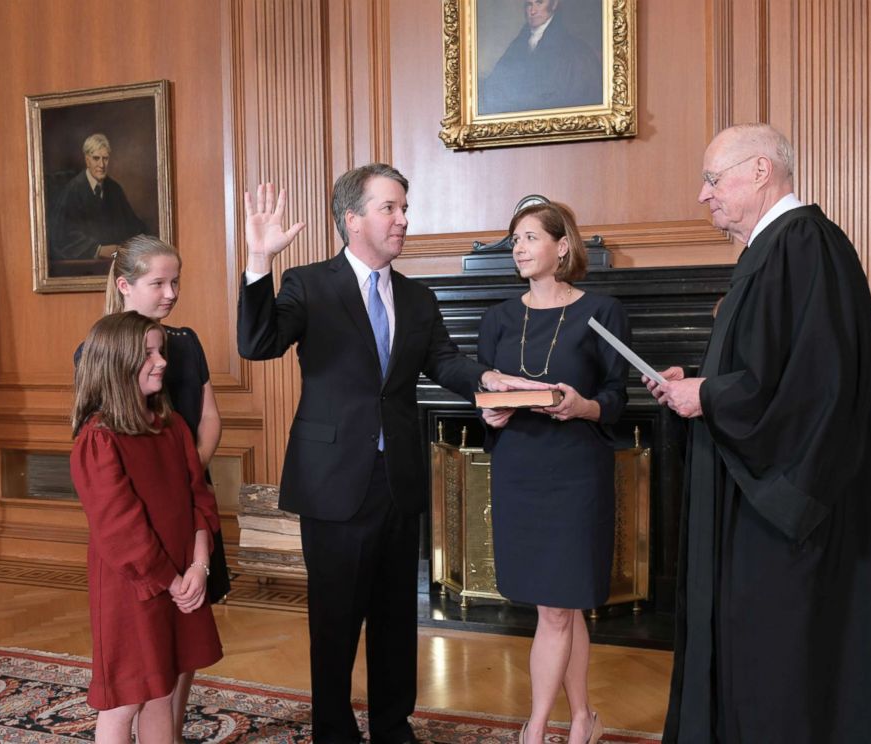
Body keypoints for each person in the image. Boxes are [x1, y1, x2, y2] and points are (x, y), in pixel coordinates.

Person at [236, 165, 544, 744]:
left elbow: (444, 361)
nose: (404, 219)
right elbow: (257, 344)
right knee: (334, 620)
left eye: (405, 207)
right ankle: (332, 728)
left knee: (396, 617)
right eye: (391, 208)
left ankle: (392, 725)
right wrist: (258, 264)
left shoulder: (417, 295)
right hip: (332, 481)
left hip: (397, 478)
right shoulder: (308, 284)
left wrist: (488, 380)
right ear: (352, 218)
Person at [646, 123, 871, 743]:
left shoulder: (804, 244)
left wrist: (706, 394)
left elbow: (814, 387)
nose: (704, 196)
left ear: (760, 171)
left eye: (713, 179)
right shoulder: (776, 249)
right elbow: (768, 369)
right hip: (756, 498)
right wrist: (703, 383)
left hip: (786, 517)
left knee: (779, 660)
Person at [478, 201, 629, 744]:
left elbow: (618, 397)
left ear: (563, 246)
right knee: (561, 606)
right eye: (514, 239)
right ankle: (583, 718)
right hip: (519, 469)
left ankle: (537, 730)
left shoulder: (602, 311)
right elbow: (488, 397)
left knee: (558, 610)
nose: (517, 248)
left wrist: (581, 405)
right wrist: (490, 412)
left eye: (529, 237)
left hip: (575, 473)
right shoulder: (496, 318)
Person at [74, 234, 230, 742]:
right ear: (118, 363)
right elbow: (121, 528)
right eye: (150, 355)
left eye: (161, 352)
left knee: (163, 692)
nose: (162, 362)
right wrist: (171, 579)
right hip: (137, 586)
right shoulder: (99, 439)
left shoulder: (172, 426)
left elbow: (198, 499)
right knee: (126, 699)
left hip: (184, 574)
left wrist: (198, 567)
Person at [479, 0, 602, 115]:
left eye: (539, 3)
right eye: (529, 4)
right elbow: (496, 84)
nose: (532, 11)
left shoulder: (575, 52)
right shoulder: (519, 44)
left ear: (554, 4)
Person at [48, 133, 146, 261]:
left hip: (115, 261)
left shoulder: (114, 189)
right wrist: (98, 250)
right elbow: (63, 236)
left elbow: (132, 226)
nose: (101, 165)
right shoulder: (73, 190)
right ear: (87, 160)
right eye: (96, 158)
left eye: (105, 158)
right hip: (84, 266)